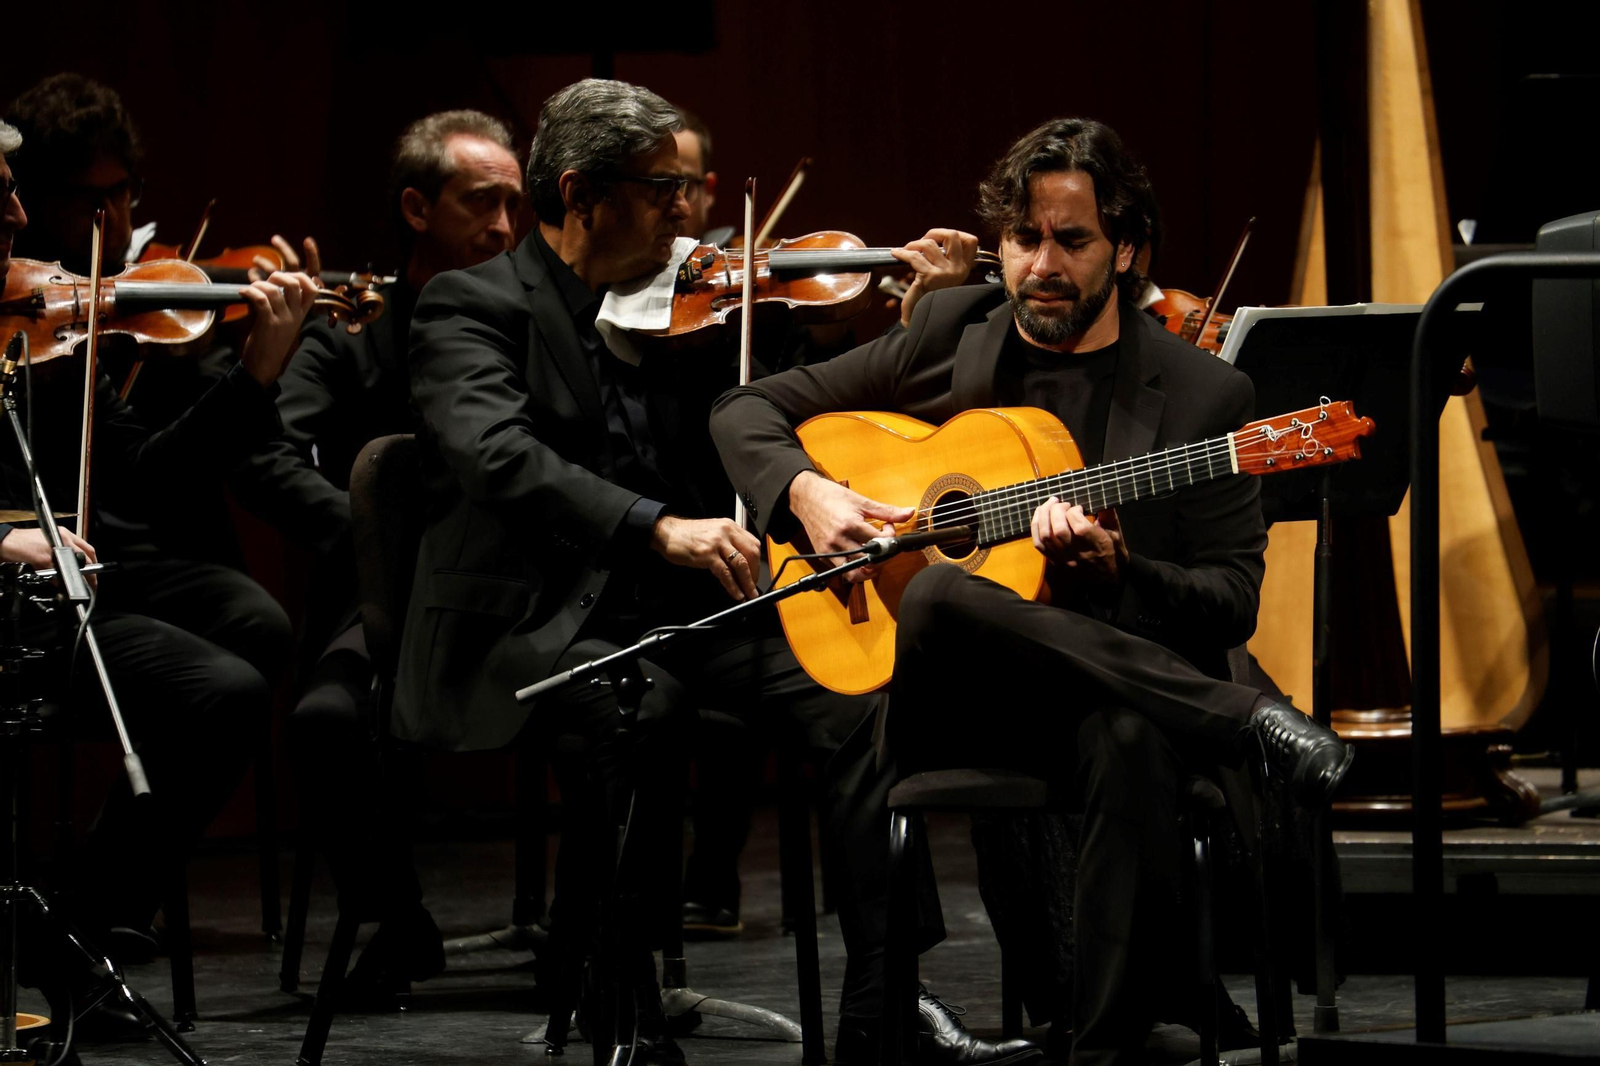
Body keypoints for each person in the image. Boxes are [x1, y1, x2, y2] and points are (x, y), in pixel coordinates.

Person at [400, 78, 1038, 1066]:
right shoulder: (471, 306)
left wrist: (934, 306)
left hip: (702, 613)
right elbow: (497, 457)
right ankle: (622, 1014)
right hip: (546, 625)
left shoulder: (704, 304)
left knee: (863, 696)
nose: (687, 211)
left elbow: (836, 396)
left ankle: (887, 1004)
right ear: (582, 193)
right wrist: (656, 527)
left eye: (688, 188)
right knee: (636, 711)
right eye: (663, 189)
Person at [710, 117, 1353, 1066]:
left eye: (1072, 239)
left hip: (1112, 700)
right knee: (933, 599)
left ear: (1126, 249)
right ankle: (1239, 719)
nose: (1041, 263)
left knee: (1127, 734)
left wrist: (1120, 572)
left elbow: (1230, 602)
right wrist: (807, 492)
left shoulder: (1205, 395)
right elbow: (745, 408)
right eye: (1024, 238)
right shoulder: (947, 335)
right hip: (957, 705)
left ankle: (1095, 1048)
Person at [0, 118, 316, 982]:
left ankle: (83, 911)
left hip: (79, 571)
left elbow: (142, 473)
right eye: (4, 194)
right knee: (221, 686)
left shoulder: (67, 323)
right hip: (18, 591)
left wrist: (250, 368)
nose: (19, 217)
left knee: (250, 632)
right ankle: (82, 918)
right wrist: (2, 535)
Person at [231, 107, 524, 999]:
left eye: (517, 204)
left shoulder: (541, 320)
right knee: (323, 721)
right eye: (483, 203)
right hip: (396, 597)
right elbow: (268, 456)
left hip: (527, 591)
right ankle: (399, 922)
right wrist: (374, 542)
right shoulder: (349, 328)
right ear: (415, 207)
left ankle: (598, 936)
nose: (507, 227)